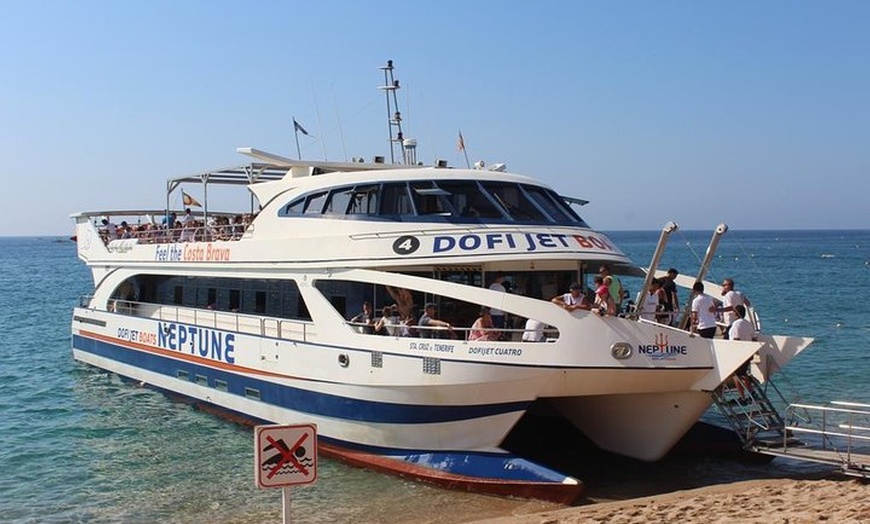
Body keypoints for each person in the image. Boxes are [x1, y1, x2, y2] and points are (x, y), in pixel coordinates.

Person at [728, 304, 756, 400]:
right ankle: (752, 392)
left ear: (736, 313)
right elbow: (753, 338)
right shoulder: (748, 323)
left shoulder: (736, 324)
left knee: (736, 376)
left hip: (740, 354)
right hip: (748, 353)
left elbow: (736, 339)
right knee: (743, 374)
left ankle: (742, 397)